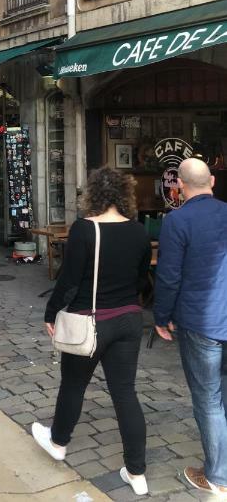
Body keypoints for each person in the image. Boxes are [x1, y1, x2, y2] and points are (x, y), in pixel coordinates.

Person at [32, 167, 152, 497]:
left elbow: (68, 280)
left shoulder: (85, 229)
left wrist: (51, 312)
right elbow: (142, 279)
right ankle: (137, 473)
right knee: (125, 393)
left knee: (73, 384)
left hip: (91, 319)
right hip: (129, 319)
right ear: (124, 195)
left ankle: (58, 443)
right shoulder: (139, 232)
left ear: (94, 194)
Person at [154, 157, 227, 495]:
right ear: (211, 180)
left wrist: (161, 316)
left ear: (179, 186)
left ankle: (218, 477)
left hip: (202, 321)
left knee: (209, 400)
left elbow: (169, 276)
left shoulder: (177, 220)